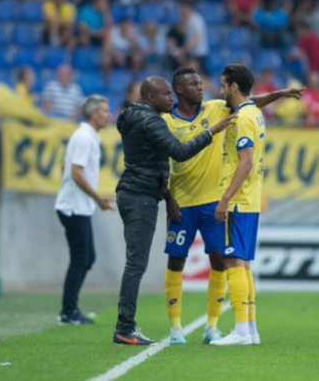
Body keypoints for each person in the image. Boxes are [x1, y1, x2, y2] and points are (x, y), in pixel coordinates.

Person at [161, 66, 303, 345]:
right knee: (181, 260)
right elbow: (158, 161)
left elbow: (249, 103)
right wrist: (167, 195)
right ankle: (179, 327)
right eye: (194, 84)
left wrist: (279, 94)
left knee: (226, 261)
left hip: (218, 200)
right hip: (182, 200)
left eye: (203, 83)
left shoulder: (218, 109)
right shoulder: (166, 121)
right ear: (180, 90)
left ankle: (218, 327)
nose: (203, 88)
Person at [113, 76, 236, 345]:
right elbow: (179, 152)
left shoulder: (130, 115)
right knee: (136, 263)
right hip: (141, 195)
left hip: (135, 192)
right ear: (150, 98)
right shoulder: (152, 121)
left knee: (136, 261)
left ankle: (127, 326)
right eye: (166, 94)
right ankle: (125, 327)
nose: (172, 99)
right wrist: (211, 132)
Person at [211, 64, 265, 346]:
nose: (221, 91)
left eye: (223, 85)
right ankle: (251, 329)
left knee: (232, 259)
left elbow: (245, 161)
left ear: (234, 86)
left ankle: (241, 330)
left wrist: (225, 198)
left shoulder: (242, 117)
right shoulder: (255, 112)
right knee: (242, 262)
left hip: (239, 201)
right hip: (251, 199)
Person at [55, 95, 115, 325]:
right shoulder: (84, 137)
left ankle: (69, 309)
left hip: (77, 205)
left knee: (86, 257)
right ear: (93, 114)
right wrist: (98, 198)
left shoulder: (86, 136)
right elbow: (76, 172)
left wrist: (69, 189)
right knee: (82, 258)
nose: (108, 114)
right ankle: (68, 312)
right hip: (73, 208)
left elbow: (65, 166)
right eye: (104, 110)